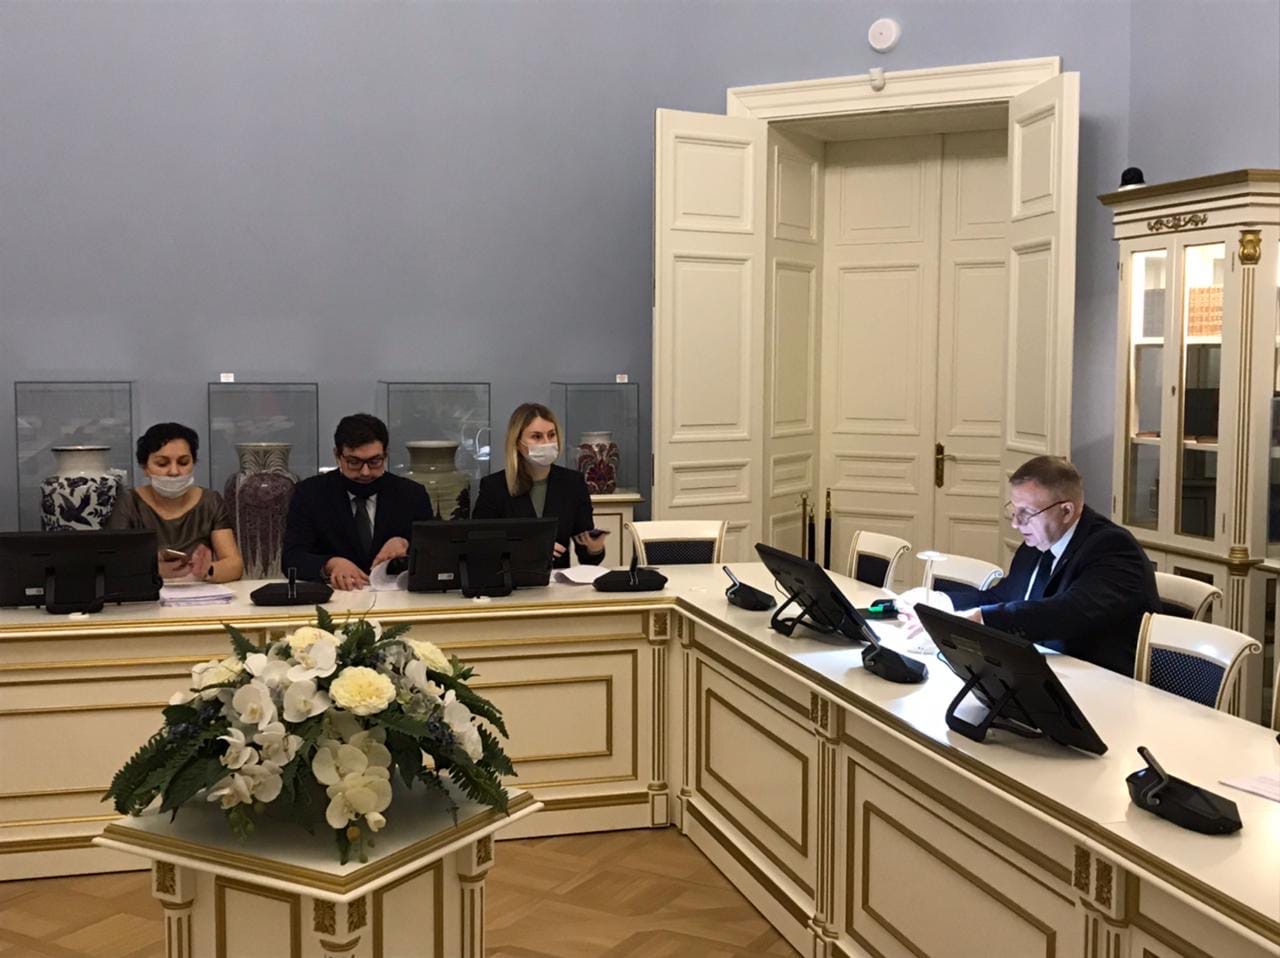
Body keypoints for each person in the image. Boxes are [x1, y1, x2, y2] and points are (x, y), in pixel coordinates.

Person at [937, 455, 1160, 676]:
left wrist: (984, 618)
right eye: (1014, 510)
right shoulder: (1037, 543)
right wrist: (940, 603)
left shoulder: (1113, 547)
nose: (1015, 523)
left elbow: (1069, 611)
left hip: (1101, 681)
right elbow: (1002, 597)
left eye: (1027, 512)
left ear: (1066, 511)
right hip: (1045, 671)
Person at [281, 413, 433, 590]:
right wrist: (331, 564)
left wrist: (406, 545)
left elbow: (436, 553)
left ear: (386, 455)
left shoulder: (411, 494)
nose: (365, 472)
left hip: (396, 595)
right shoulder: (311, 494)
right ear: (337, 455)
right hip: (338, 595)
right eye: (354, 462)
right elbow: (292, 558)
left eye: (375, 461)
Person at [472, 403, 606, 568]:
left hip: (557, 580)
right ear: (517, 442)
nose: (546, 442)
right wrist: (528, 550)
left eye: (551, 435)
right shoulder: (494, 487)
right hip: (512, 579)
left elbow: (587, 556)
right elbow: (481, 546)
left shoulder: (573, 483)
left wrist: (595, 549)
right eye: (536, 436)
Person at [105, 423, 244, 582]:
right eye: (162, 464)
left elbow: (234, 564)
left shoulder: (210, 501)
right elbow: (112, 563)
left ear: (193, 462)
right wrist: (152, 568)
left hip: (199, 592)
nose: (174, 471)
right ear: (145, 467)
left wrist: (206, 570)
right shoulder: (129, 502)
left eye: (183, 462)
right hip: (145, 592)